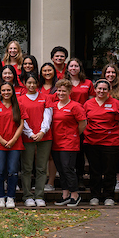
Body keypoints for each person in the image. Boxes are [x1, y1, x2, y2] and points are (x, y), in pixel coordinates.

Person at [82, 79, 119, 206]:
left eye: (104, 89)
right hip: (91, 142)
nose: (101, 91)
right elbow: (83, 121)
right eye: (99, 89)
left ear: (109, 90)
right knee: (94, 170)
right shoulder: (88, 104)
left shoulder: (116, 104)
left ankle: (108, 196)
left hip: (111, 142)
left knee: (109, 170)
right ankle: (95, 195)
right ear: (95, 90)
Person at [48, 79, 86, 207]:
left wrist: (74, 135)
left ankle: (75, 195)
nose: (61, 93)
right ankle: (65, 195)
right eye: (59, 90)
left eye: (64, 91)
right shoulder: (53, 105)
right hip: (55, 142)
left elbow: (83, 124)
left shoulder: (75, 106)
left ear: (69, 91)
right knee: (60, 169)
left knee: (68, 168)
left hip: (69, 143)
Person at [17, 73, 53, 207]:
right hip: (27, 137)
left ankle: (39, 195)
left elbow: (48, 116)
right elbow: (21, 118)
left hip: (45, 136)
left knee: (42, 168)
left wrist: (42, 131)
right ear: (25, 84)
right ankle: (27, 196)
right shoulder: (20, 99)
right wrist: (30, 133)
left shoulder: (46, 97)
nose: (31, 85)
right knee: (26, 167)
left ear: (38, 83)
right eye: (29, 83)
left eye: (34, 83)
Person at [0, 81, 24, 208]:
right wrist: (1, 140)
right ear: (0, 92)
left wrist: (14, 139)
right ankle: (0, 197)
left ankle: (10, 197)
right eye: (3, 90)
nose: (6, 93)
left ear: (13, 91)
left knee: (13, 171)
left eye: (8, 90)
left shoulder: (18, 105)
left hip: (15, 143)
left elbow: (21, 124)